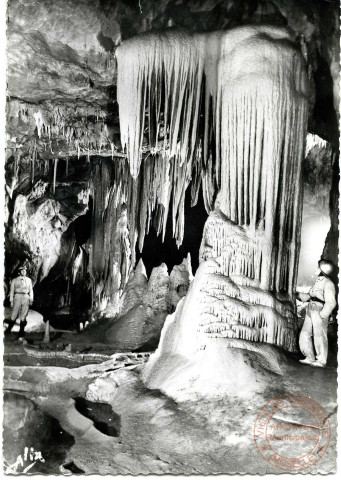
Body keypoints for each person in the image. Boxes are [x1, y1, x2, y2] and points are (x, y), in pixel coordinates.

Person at [298, 259, 337, 367]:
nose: (316, 269)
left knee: (319, 335)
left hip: (319, 310)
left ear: (323, 269)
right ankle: (309, 357)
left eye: (318, 267)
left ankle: (321, 360)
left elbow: (331, 302)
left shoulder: (328, 283)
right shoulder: (318, 282)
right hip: (310, 309)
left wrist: (322, 315)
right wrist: (298, 295)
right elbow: (310, 296)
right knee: (305, 333)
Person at [6, 266, 34, 340]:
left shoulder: (29, 280)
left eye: (25, 271)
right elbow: (11, 291)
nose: (24, 272)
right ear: (19, 272)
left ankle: (21, 332)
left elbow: (31, 290)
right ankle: (9, 329)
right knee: (14, 313)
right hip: (17, 296)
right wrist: (11, 301)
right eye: (22, 271)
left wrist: (31, 299)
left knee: (24, 314)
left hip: (26, 296)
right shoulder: (15, 280)